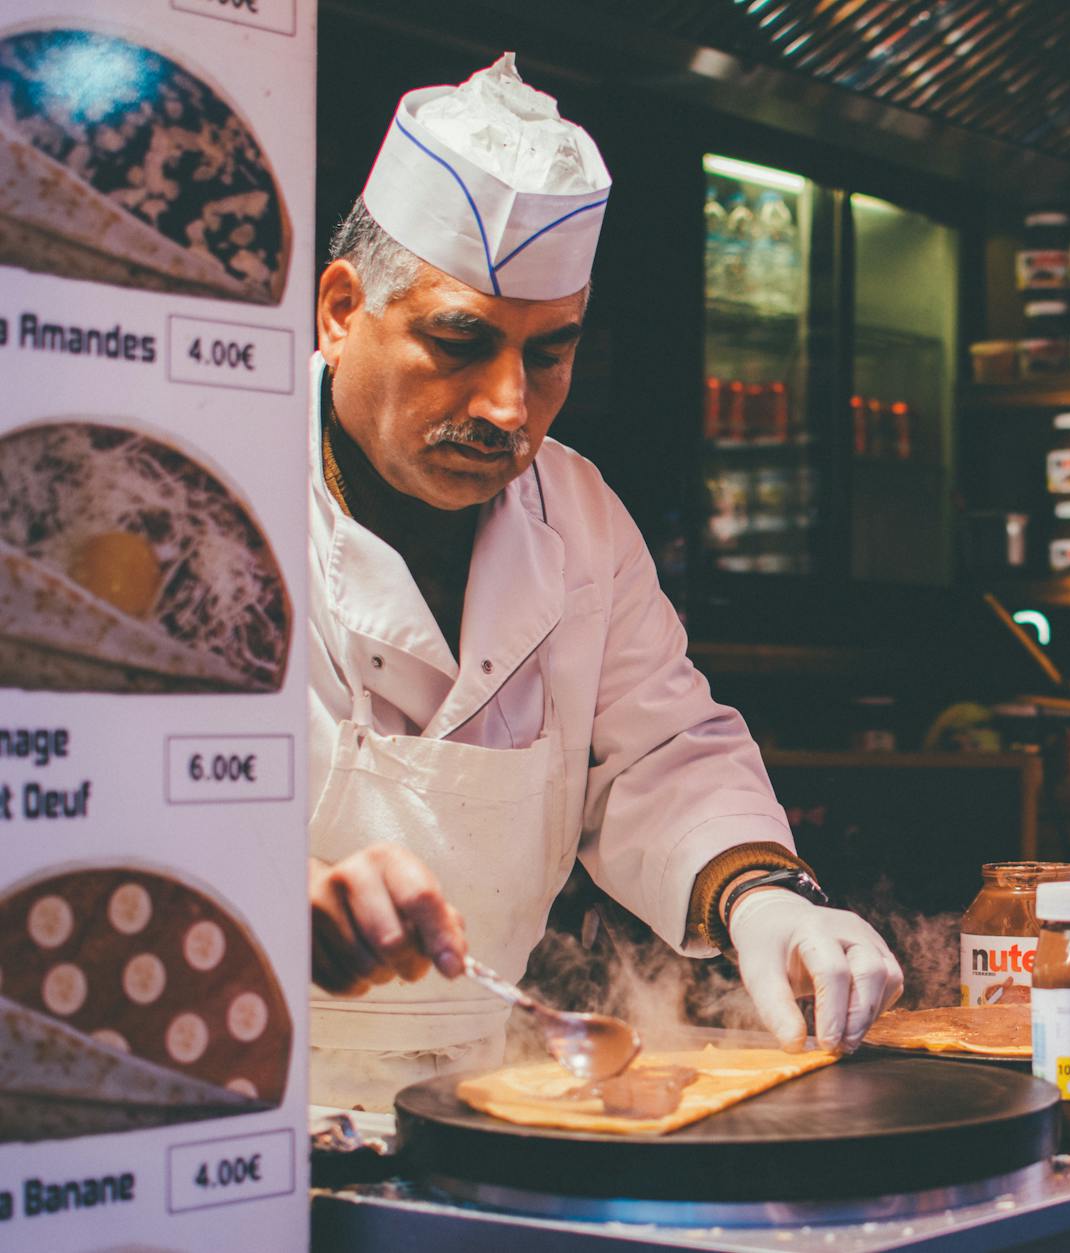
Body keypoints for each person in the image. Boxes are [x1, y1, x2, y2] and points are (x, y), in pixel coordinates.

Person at [306, 54, 900, 1109]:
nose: (506, 405)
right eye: (460, 341)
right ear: (343, 309)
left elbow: (658, 754)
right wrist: (249, 893)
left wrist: (769, 898)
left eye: (548, 355)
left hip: (470, 1098)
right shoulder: (209, 490)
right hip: (220, 1089)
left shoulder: (577, 517)